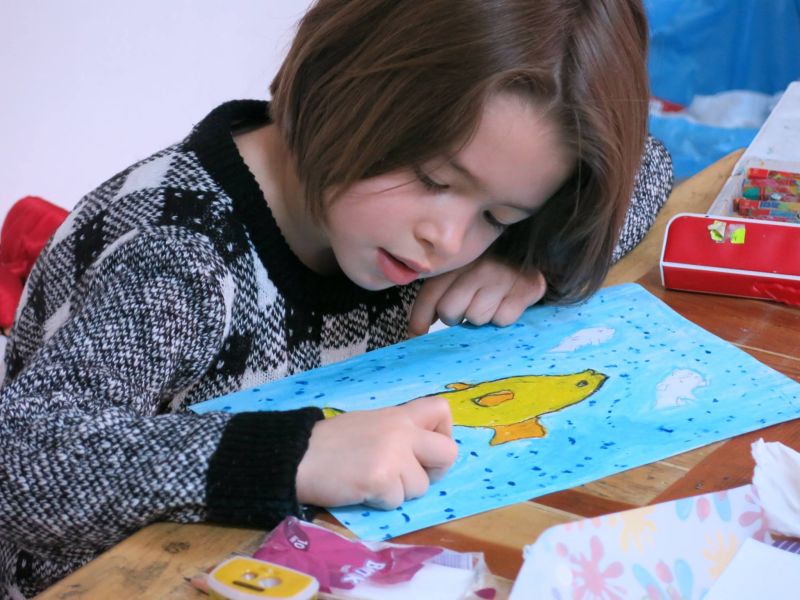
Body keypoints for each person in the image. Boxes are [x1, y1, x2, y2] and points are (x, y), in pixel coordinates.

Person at [0, 0, 669, 596]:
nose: (447, 240)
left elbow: (649, 166)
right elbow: (22, 462)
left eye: (498, 215)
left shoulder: (395, 223)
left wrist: (534, 256)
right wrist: (291, 455)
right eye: (434, 178)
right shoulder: (179, 255)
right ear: (348, 87)